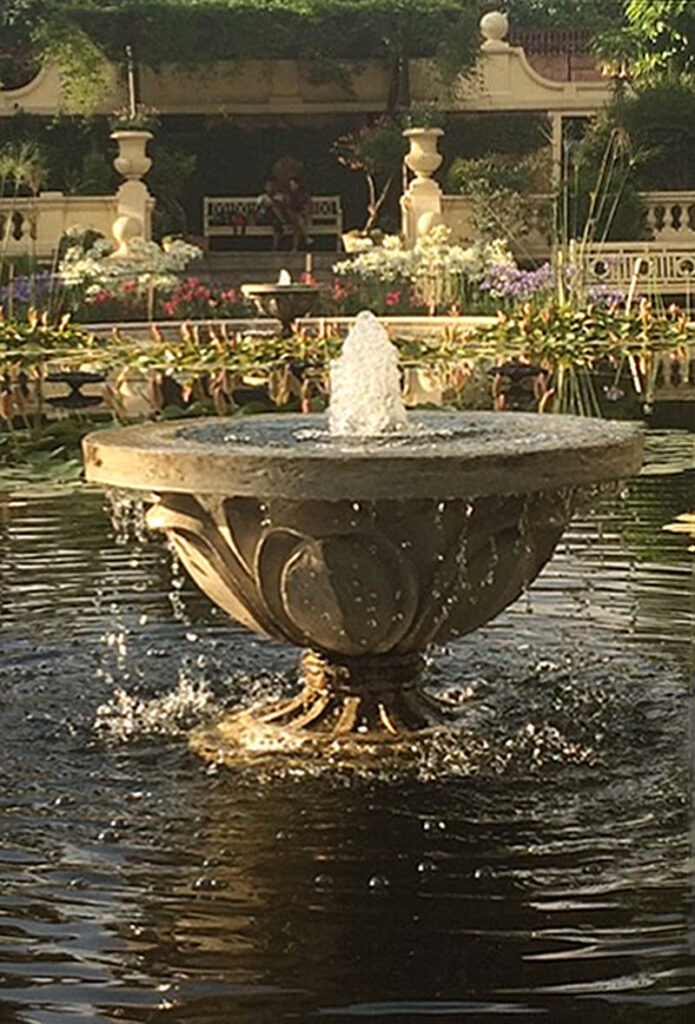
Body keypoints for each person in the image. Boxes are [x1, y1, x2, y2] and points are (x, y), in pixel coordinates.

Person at [255, 178, 288, 250]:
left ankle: (275, 247)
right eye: (268, 186)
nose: (270, 188)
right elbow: (258, 210)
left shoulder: (280, 196)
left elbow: (283, 207)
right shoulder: (262, 197)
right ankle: (283, 222)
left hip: (275, 218)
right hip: (264, 217)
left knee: (276, 223)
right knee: (272, 207)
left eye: (272, 186)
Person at [285, 176, 312, 251]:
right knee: (298, 220)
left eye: (293, 184)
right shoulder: (289, 195)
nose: (292, 186)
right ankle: (306, 238)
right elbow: (288, 207)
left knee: (297, 228)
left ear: (297, 185)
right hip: (291, 216)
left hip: (301, 216)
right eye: (290, 185)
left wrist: (305, 212)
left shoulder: (303, 194)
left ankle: (295, 248)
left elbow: (307, 205)